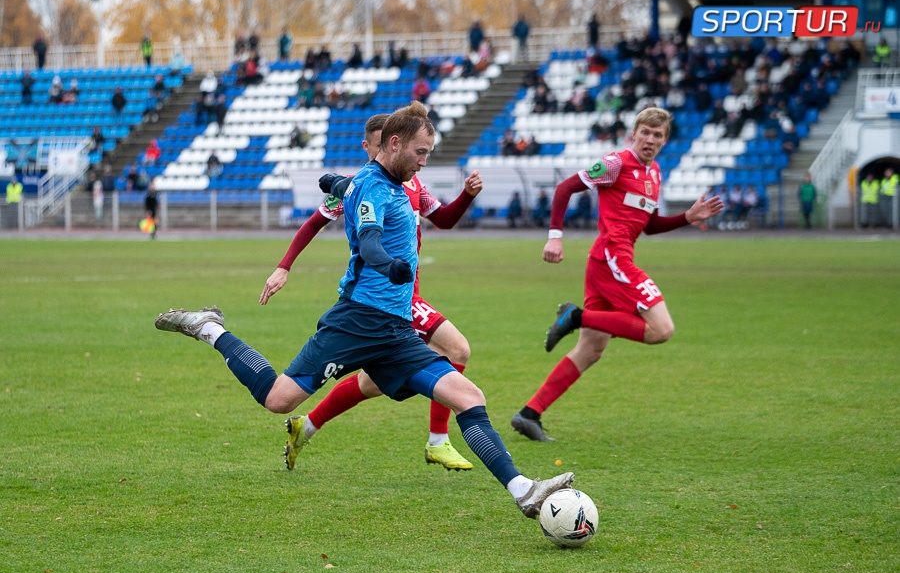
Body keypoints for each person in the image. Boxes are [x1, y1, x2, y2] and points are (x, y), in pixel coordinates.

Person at [155, 101, 575, 519]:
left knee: (468, 395)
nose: (424, 162)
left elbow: (350, 190)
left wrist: (334, 182)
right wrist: (388, 264)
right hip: (356, 321)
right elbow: (371, 240)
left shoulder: (383, 183)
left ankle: (525, 491)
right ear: (394, 143)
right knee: (279, 399)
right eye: (420, 153)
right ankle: (209, 328)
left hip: (395, 331)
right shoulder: (375, 187)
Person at [259, 113, 484, 472]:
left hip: (401, 295)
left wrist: (467, 195)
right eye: (378, 144)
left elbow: (444, 220)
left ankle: (308, 425)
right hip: (391, 299)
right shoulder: (361, 186)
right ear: (374, 147)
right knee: (457, 348)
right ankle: (438, 441)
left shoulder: (412, 185)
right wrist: (284, 265)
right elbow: (315, 222)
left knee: (371, 383)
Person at [510, 107, 724, 442]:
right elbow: (565, 187)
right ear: (634, 133)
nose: (650, 140)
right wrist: (555, 235)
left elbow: (649, 226)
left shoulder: (654, 174)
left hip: (607, 262)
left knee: (592, 349)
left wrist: (688, 216)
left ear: (665, 140)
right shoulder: (616, 162)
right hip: (613, 258)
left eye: (658, 135)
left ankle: (529, 414)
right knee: (661, 329)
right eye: (645, 133)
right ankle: (576, 316)